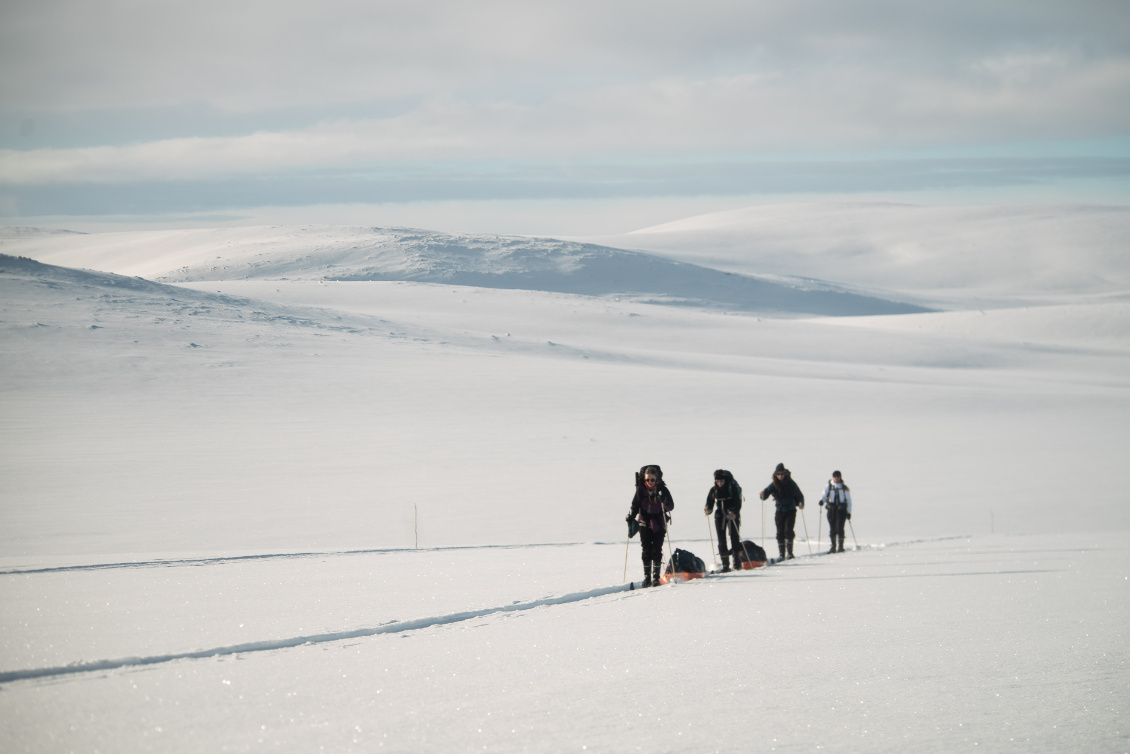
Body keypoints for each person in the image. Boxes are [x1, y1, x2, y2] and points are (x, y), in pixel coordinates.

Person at [627, 465, 674, 587]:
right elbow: (635, 505)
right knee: (646, 549)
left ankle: (656, 577)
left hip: (659, 523)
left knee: (657, 549)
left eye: (652, 479)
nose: (650, 482)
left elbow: (671, 506)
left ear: (656, 479)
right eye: (647, 479)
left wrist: (664, 500)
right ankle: (647, 577)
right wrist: (631, 515)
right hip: (644, 522)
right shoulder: (640, 490)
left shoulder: (662, 489)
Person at [759, 462, 804, 561]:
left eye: (782, 474)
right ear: (775, 475)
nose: (780, 476)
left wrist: (801, 502)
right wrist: (762, 494)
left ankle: (790, 553)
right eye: (778, 474)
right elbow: (765, 494)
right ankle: (781, 554)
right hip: (779, 511)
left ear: (785, 474)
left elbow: (799, 495)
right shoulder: (774, 484)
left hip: (791, 510)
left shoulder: (791, 483)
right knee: (780, 532)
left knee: (788, 531)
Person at [704, 469, 743, 572]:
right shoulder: (714, 490)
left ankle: (737, 563)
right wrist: (708, 509)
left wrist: (734, 512)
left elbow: (738, 502)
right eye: (718, 481)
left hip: (731, 515)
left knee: (734, 538)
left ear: (725, 480)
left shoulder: (732, 488)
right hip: (720, 516)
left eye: (721, 481)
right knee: (721, 540)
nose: (720, 483)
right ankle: (725, 565)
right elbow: (710, 502)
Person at [819, 470, 852, 553]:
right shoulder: (829, 486)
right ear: (833, 478)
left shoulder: (844, 488)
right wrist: (822, 501)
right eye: (835, 477)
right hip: (831, 510)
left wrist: (848, 512)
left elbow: (849, 501)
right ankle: (833, 546)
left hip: (841, 510)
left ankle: (841, 546)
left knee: (840, 528)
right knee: (832, 528)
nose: (836, 479)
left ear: (840, 478)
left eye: (838, 477)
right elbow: (824, 494)